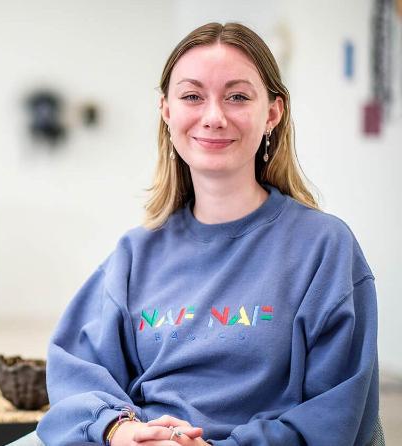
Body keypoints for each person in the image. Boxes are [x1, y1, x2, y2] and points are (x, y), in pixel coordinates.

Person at [34, 22, 379, 446]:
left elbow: (334, 415)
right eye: (192, 96)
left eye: (237, 96)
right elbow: (75, 374)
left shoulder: (324, 248)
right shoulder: (135, 253)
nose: (213, 117)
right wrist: (121, 430)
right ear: (166, 111)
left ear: (273, 112)